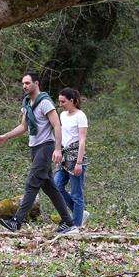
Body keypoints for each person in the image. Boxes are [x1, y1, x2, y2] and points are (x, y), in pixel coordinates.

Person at [0, 71, 76, 234]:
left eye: (27, 83)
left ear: (36, 84)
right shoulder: (26, 103)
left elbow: (57, 125)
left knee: (32, 182)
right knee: (48, 186)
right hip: (35, 147)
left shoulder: (45, 102)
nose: (24, 86)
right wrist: (6, 136)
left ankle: (16, 222)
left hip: (46, 146)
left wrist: (58, 149)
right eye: (23, 83)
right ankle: (68, 221)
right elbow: (23, 127)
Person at [54, 87, 89, 230]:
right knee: (56, 186)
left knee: (76, 193)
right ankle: (79, 212)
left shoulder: (80, 116)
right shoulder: (62, 115)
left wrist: (79, 163)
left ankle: (76, 225)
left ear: (72, 100)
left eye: (63, 101)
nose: (61, 104)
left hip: (76, 157)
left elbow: (82, 140)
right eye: (59, 101)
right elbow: (61, 135)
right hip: (63, 156)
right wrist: (58, 151)